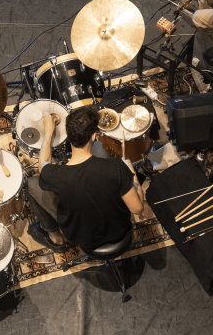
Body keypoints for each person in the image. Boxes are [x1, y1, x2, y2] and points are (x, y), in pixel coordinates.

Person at [25, 106, 145, 252]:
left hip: (83, 238)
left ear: (67, 133)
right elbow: (137, 209)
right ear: (94, 135)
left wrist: (48, 132)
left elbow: (42, 164)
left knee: (31, 184)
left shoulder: (55, 175)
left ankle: (55, 237)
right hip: (119, 230)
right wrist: (132, 175)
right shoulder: (117, 167)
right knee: (99, 148)